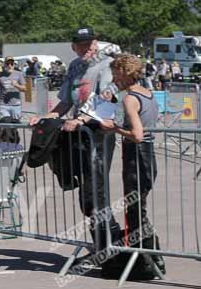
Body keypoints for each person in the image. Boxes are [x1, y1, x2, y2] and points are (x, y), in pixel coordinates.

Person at [28, 26, 120, 249]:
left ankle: (111, 243)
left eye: (89, 44)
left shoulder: (106, 64)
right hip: (77, 133)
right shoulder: (75, 66)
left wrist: (83, 119)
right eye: (80, 45)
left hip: (98, 132)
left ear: (95, 44)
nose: (85, 49)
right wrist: (45, 118)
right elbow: (65, 102)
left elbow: (106, 98)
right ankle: (103, 244)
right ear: (73, 46)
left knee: (94, 192)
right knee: (85, 194)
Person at [100, 53, 165, 276]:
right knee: (137, 210)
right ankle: (151, 258)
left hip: (137, 155)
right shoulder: (147, 93)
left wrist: (114, 128)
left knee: (135, 211)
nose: (114, 79)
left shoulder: (130, 98)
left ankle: (147, 261)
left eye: (116, 74)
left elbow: (137, 135)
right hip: (146, 155)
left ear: (126, 73)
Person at [0, 56, 25, 120]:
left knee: (15, 125)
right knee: (6, 124)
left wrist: (17, 85)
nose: (9, 66)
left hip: (16, 105)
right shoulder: (0, 75)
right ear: (4, 64)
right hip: (4, 105)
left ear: (14, 65)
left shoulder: (19, 74)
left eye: (11, 64)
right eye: (7, 64)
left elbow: (25, 89)